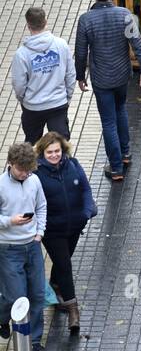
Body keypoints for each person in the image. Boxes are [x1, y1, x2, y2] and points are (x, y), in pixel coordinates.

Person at [74, 0, 141, 183]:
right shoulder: (125, 15)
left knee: (108, 122)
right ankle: (125, 154)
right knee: (121, 111)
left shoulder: (85, 20)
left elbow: (81, 53)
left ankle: (116, 167)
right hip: (121, 76)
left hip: (101, 79)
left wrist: (80, 76)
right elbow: (137, 43)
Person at [34, 133, 96, 337]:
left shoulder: (74, 164)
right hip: (53, 231)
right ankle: (73, 311)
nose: (54, 155)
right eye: (50, 152)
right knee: (65, 265)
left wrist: (87, 212)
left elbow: (85, 190)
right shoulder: (37, 175)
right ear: (42, 153)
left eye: (57, 151)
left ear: (63, 150)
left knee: (63, 261)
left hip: (75, 226)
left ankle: (55, 286)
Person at [0, 142, 47, 351]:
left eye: (28, 170)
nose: (24, 175)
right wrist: (10, 221)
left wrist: (40, 232)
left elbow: (41, 206)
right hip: (8, 249)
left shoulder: (34, 180)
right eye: (21, 170)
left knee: (37, 295)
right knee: (16, 297)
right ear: (10, 164)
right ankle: (3, 317)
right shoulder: (0, 185)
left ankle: (33, 340)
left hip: (33, 245)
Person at [11, 7, 74, 143]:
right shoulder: (61, 45)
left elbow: (19, 84)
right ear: (46, 22)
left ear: (28, 25)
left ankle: (35, 165)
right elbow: (70, 74)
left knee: (32, 145)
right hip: (58, 103)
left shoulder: (21, 54)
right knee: (61, 145)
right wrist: (66, 96)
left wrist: (25, 99)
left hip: (33, 107)